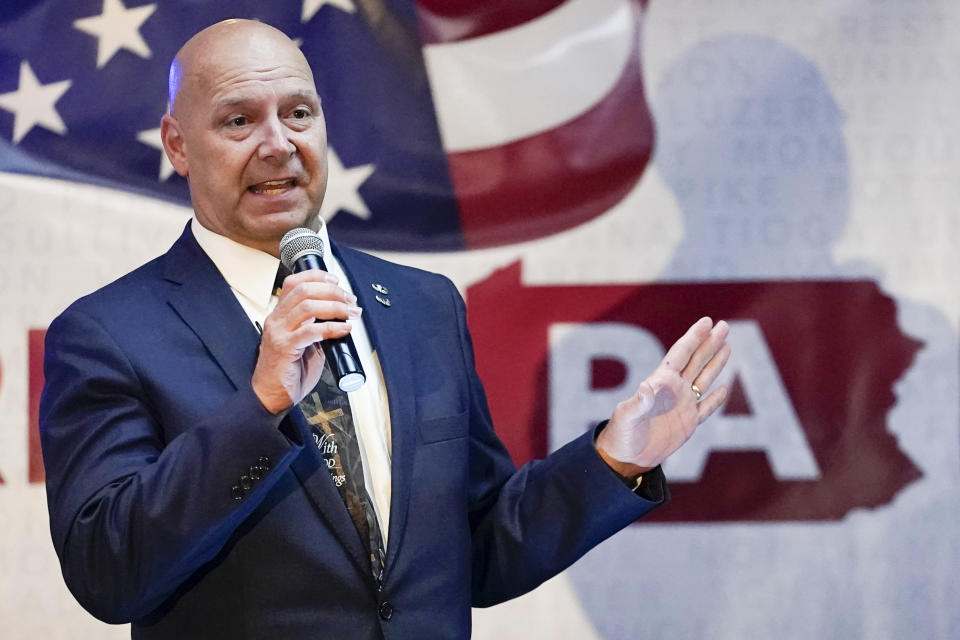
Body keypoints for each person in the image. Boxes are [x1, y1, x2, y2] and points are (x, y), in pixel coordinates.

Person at [39, 19, 730, 639]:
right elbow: (109, 572)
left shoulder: (422, 304)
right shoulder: (109, 333)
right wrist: (261, 408)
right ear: (178, 145)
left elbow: (478, 551)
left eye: (299, 113)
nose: (279, 145)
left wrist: (613, 459)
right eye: (239, 121)